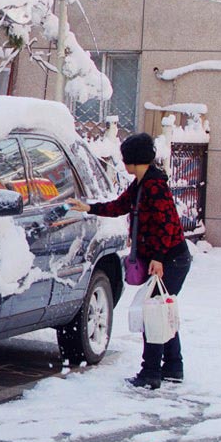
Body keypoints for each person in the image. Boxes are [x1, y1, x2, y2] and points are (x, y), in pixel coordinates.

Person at [67, 132, 191, 390]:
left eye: (126, 159)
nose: (123, 163)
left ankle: (150, 373)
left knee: (153, 315)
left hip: (170, 260)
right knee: (161, 311)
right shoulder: (141, 184)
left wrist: (157, 259)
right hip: (168, 258)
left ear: (134, 160)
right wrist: (88, 207)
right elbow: (118, 206)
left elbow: (167, 225)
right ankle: (173, 367)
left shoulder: (155, 187)